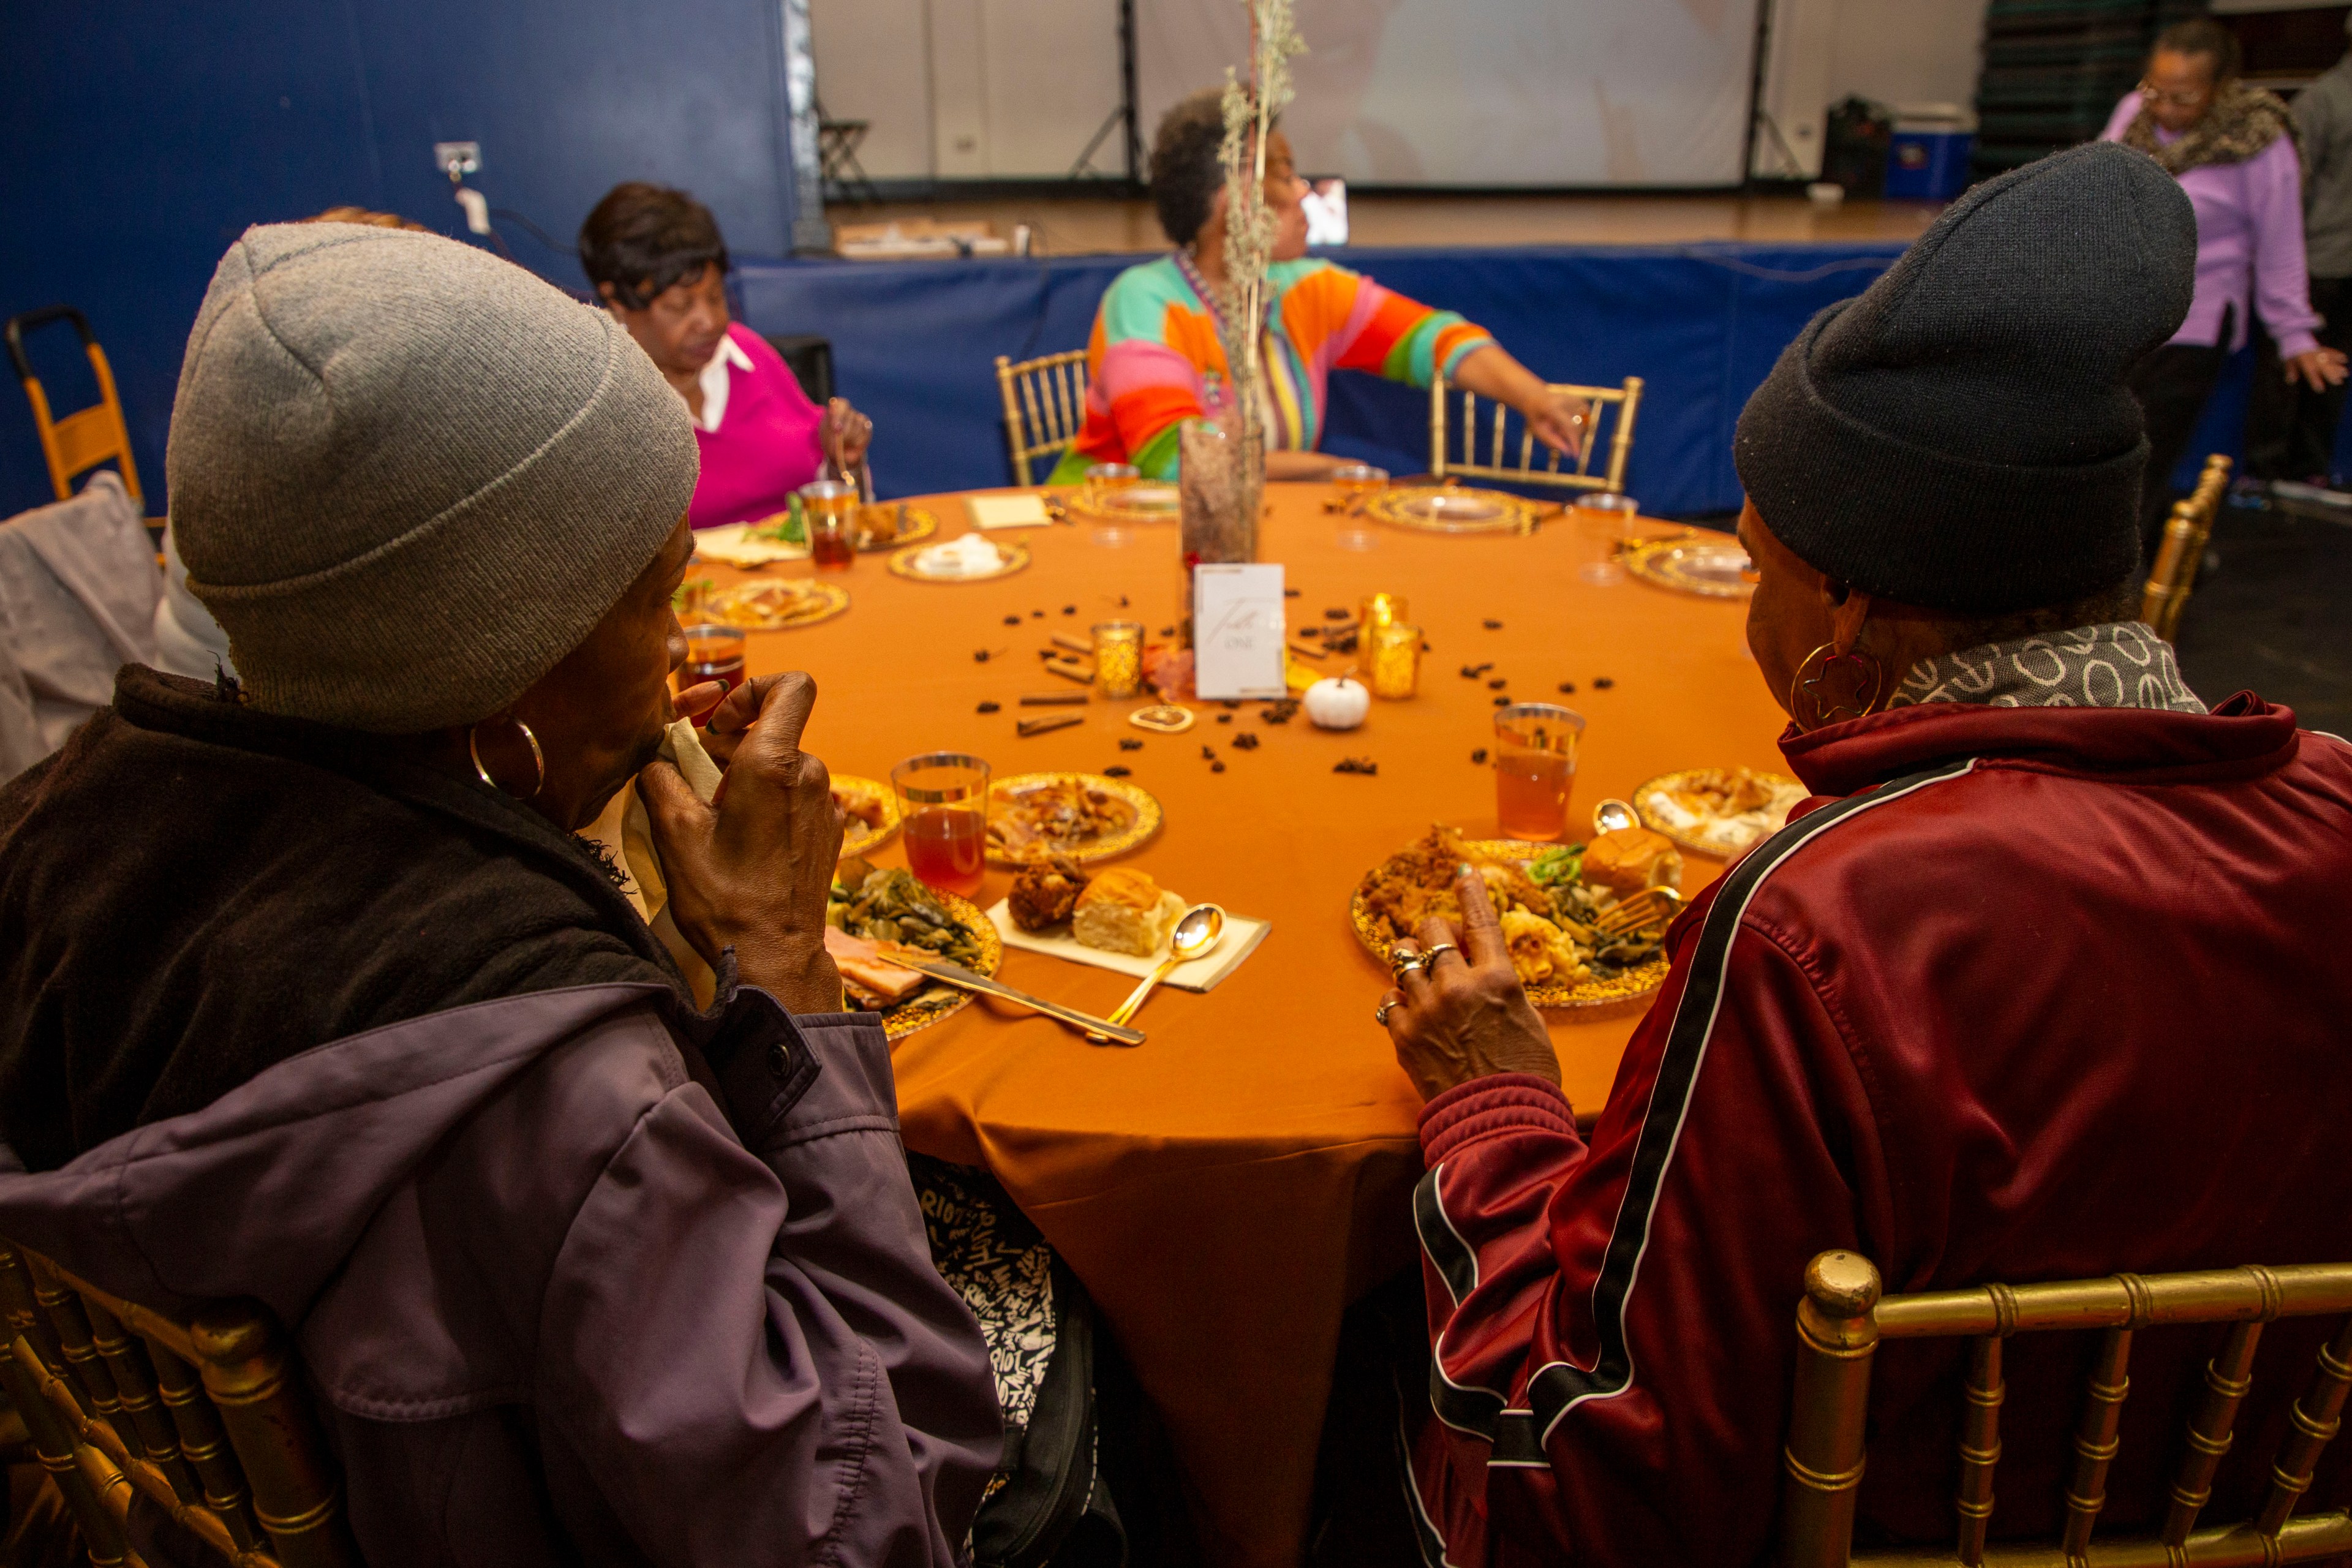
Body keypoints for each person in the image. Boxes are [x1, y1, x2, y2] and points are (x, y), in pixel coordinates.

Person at [1375, 144, 2352, 1564]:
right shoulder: (2333, 796)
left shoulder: (1820, 922)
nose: (1747, 612)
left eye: (1756, 565)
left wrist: (1497, 1111)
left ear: (1843, 619)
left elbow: (1594, 1480)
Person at [0, 221, 1000, 1564]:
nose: (675, 657)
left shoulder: (62, 829)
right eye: (656, 598)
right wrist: (783, 966)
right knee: (1062, 1291)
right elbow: (862, 1525)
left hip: (239, 1501)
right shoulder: (559, 1074)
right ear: (513, 662)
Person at [1051, 90, 1585, 483]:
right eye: (1283, 175)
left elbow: (1434, 341)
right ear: (1231, 203)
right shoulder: (1144, 302)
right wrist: (1332, 470)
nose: (1304, 190)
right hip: (1112, 539)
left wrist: (1533, 398)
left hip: (1257, 528)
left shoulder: (1304, 289)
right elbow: (1178, 461)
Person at [2101, 17, 2348, 546]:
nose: (2165, 109)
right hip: (2121, 308)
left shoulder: (2259, 141)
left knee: (2147, 453)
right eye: (2155, 91)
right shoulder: (2131, 114)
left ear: (2220, 88)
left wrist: (2295, 333)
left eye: (2184, 97)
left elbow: (2280, 243)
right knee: (2098, 446)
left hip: (2197, 318)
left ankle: (2122, 577)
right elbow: (2096, 194)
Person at [581, 182, 875, 527]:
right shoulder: (601, 403)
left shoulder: (749, 355)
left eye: (717, 297)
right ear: (617, 303)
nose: (710, 322)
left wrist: (843, 459)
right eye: (680, 307)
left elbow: (832, 505)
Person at [2249, 12, 2352, 485]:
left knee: (2334, 372)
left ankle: (2311, 472)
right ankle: (2264, 469)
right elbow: (2290, 189)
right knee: (2287, 370)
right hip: (2316, 262)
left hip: (2348, 268)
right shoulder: (2322, 99)